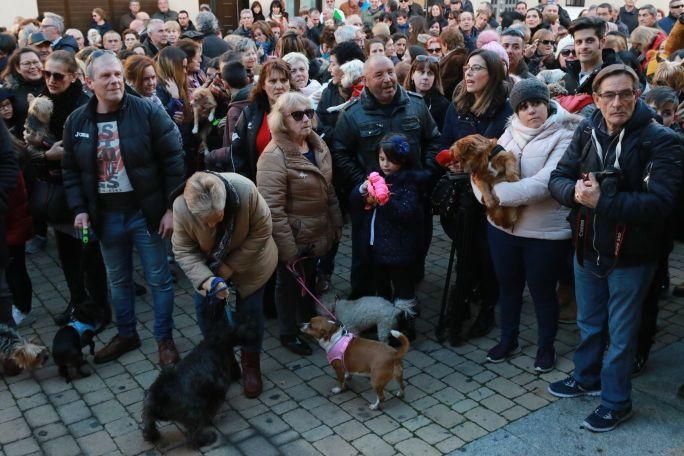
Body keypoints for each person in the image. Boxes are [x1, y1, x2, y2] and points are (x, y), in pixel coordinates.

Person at [547, 64, 682, 432]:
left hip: (633, 256)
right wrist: (573, 193)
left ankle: (616, 401)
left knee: (621, 335)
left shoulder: (662, 139)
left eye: (625, 94)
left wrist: (601, 202)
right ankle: (586, 378)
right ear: (596, 99)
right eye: (609, 95)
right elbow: (558, 177)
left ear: (637, 96)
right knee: (589, 323)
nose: (617, 102)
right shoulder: (587, 128)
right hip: (587, 246)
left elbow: (661, 204)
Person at [61, 50, 185, 367]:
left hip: (146, 215)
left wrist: (171, 207)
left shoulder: (146, 112)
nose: (114, 80)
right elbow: (71, 170)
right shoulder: (77, 121)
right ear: (89, 82)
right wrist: (79, 208)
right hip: (106, 217)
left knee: (159, 280)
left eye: (117, 74)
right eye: (105, 75)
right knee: (118, 281)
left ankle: (165, 339)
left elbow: (174, 159)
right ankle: (127, 334)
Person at [480, 78, 579, 371]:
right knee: (508, 288)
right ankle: (508, 338)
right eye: (523, 106)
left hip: (544, 233)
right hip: (502, 229)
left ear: (546, 103)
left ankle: (545, 346)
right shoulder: (508, 132)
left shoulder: (566, 133)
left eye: (536, 103)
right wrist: (484, 193)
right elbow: (483, 172)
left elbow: (545, 184)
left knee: (542, 292)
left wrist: (494, 196)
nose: (531, 111)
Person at [332, 56, 440, 299]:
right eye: (379, 75)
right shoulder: (352, 115)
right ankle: (369, 307)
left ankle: (406, 306)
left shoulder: (416, 105)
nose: (388, 79)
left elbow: (433, 139)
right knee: (366, 257)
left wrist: (426, 173)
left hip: (410, 199)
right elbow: (340, 151)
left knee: (415, 250)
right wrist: (364, 183)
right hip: (372, 205)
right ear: (366, 81)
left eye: (390, 72)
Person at [172, 170, 277, 398]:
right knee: (206, 315)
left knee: (250, 315)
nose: (211, 224)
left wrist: (231, 266)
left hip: (252, 263)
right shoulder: (180, 207)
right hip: (209, 268)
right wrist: (208, 281)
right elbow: (183, 250)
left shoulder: (245, 189)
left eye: (217, 217)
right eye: (205, 221)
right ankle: (227, 363)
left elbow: (263, 229)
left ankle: (251, 366)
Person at [256, 91, 342, 355]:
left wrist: (335, 222)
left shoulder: (317, 145)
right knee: (288, 285)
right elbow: (273, 210)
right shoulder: (274, 156)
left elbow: (327, 188)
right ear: (282, 120)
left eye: (309, 113)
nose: (306, 118)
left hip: (315, 232)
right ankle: (287, 332)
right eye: (297, 115)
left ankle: (308, 322)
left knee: (310, 278)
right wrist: (288, 248)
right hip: (292, 236)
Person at [439, 49, 512, 342]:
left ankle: (485, 310)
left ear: (492, 75)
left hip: (489, 195)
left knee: (486, 256)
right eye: (467, 68)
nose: (468, 73)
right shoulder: (455, 106)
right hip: (459, 194)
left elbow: (501, 154)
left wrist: (470, 162)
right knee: (465, 253)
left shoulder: (505, 111)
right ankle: (462, 304)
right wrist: (447, 159)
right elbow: (443, 143)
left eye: (476, 68)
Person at [349, 133, 427, 339]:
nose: (385, 165)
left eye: (391, 160)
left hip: (398, 248)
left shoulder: (407, 183)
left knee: (403, 288)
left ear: (403, 160)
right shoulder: (375, 176)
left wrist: (386, 200)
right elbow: (354, 203)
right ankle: (384, 319)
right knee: (381, 287)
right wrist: (362, 190)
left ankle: (406, 322)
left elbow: (406, 212)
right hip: (376, 246)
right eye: (382, 159)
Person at [229, 59, 291, 182]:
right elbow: (238, 153)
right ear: (263, 85)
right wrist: (247, 185)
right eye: (272, 81)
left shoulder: (303, 110)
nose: (279, 86)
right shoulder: (250, 113)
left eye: (283, 80)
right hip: (259, 185)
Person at [1, 48, 45, 131]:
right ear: (18, 68)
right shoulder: (9, 90)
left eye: (36, 62)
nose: (33, 67)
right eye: (27, 64)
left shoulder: (52, 84)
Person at [403, 55, 449, 129]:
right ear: (412, 75)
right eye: (421, 72)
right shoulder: (402, 99)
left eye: (430, 74)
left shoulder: (443, 105)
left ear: (435, 78)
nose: (425, 77)